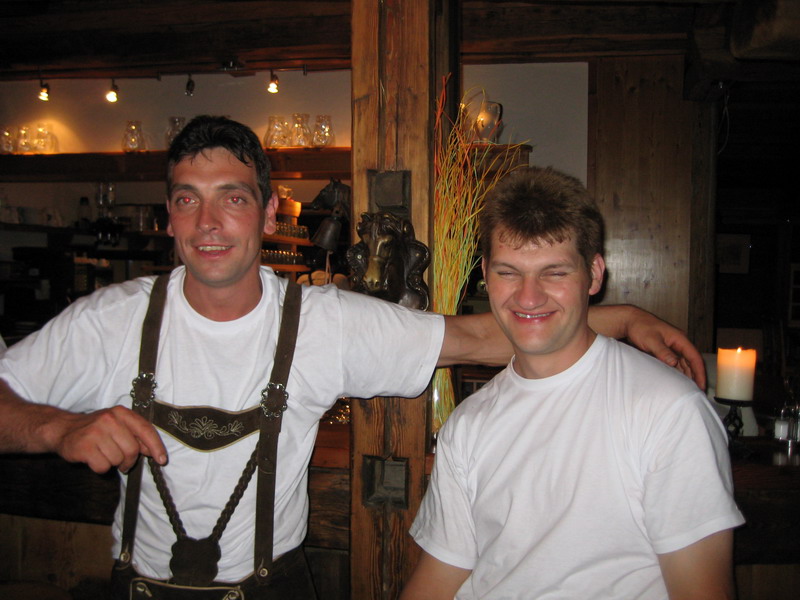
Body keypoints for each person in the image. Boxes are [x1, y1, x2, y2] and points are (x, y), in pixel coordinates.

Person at [0, 117, 704, 598]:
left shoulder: (323, 322)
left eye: (232, 199)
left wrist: (617, 318)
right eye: (188, 201)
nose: (208, 223)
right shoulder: (111, 320)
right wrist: (59, 428)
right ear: (168, 218)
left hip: (273, 589)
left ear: (269, 213)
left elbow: (475, 337)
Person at [401, 167, 743, 600]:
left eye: (555, 273)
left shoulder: (669, 410)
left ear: (595, 274)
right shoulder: (468, 423)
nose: (528, 297)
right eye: (509, 272)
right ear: (485, 273)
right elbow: (438, 577)